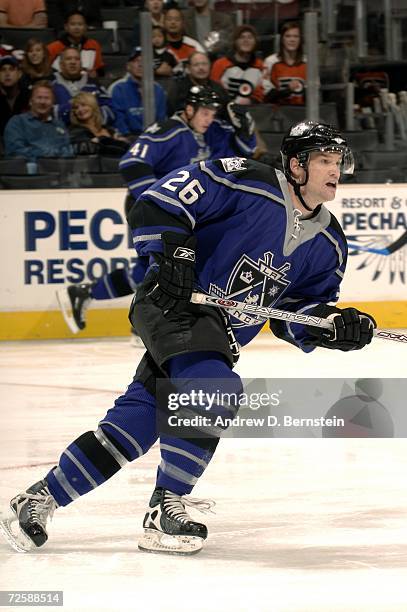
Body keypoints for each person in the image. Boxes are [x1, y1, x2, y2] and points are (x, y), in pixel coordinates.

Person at [0, 120, 376, 556]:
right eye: (324, 160)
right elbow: (158, 202)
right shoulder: (244, 179)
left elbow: (293, 312)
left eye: (337, 161)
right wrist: (175, 251)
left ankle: (39, 498)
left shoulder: (330, 242)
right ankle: (165, 507)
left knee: (137, 422)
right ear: (296, 165)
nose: (335, 170)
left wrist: (333, 324)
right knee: (215, 390)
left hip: (217, 336)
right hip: (172, 304)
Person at [57, 85, 256, 334]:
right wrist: (159, 204)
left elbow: (242, 156)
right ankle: (147, 323)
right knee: (168, 265)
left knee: (151, 268)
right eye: (204, 112)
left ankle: (86, 293)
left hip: (185, 212)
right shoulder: (168, 131)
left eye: (212, 113)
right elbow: (132, 163)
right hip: (156, 208)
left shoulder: (211, 132)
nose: (209, 119)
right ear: (189, 109)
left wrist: (245, 128)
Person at [4, 80, 72, 160]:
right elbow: (15, 151)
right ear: (30, 101)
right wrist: (49, 154)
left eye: (47, 98)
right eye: (39, 97)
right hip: (25, 171)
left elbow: (68, 151)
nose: (43, 102)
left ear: (53, 103)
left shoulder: (59, 125)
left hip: (57, 170)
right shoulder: (17, 122)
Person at [108, 46, 167, 139]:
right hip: (128, 138)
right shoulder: (118, 88)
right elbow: (118, 119)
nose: (140, 65)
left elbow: (161, 119)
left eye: (144, 61)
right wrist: (127, 136)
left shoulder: (158, 90)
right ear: (128, 66)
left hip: (154, 138)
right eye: (136, 61)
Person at [52, 47, 114, 126]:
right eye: (68, 59)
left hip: (92, 132)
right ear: (61, 64)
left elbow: (110, 110)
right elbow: (46, 112)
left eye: (77, 59)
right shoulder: (51, 85)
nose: (73, 62)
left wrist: (90, 117)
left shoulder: (93, 84)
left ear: (81, 64)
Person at [210, 24, 264, 104]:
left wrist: (250, 101)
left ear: (255, 42)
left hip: (253, 110)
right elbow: (213, 89)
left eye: (250, 37)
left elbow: (261, 93)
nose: (246, 40)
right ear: (235, 41)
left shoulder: (260, 65)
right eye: (242, 37)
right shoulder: (220, 64)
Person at [166, 50, 229, 116]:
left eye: (204, 64)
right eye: (196, 65)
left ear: (210, 66)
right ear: (188, 68)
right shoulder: (178, 89)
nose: (201, 68)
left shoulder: (218, 88)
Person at [69, 91, 129, 156]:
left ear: (93, 106)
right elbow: (89, 149)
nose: (80, 110)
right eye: (76, 108)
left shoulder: (109, 129)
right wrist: (104, 139)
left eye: (83, 105)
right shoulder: (75, 132)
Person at [47, 11, 105, 78]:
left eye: (80, 24)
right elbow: (46, 70)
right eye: (73, 24)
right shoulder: (53, 47)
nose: (76, 27)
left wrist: (95, 73)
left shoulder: (94, 45)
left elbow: (100, 70)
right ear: (66, 27)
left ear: (86, 27)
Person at [263, 21, 307, 106]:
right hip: (278, 114)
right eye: (288, 36)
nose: (292, 40)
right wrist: (288, 90)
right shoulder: (270, 62)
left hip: (303, 113)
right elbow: (267, 96)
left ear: (300, 39)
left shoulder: (308, 62)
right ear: (282, 39)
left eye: (296, 36)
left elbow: (314, 93)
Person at [163, 6, 204, 74]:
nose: (173, 22)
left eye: (177, 19)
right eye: (169, 19)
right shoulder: (157, 47)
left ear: (183, 23)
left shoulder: (194, 45)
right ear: (163, 22)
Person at [0, 55, 30, 138]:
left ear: (19, 74)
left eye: (11, 69)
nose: (7, 73)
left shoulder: (30, 97)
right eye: (3, 70)